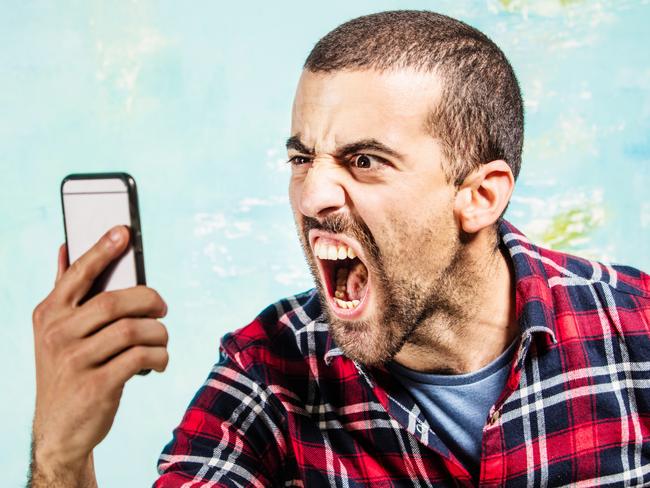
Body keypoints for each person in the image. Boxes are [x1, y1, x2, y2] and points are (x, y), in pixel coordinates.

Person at [29, 10, 650, 488]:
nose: (312, 195)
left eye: (365, 160)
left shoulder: (636, 330)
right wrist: (61, 451)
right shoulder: (267, 372)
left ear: (480, 196)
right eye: (302, 158)